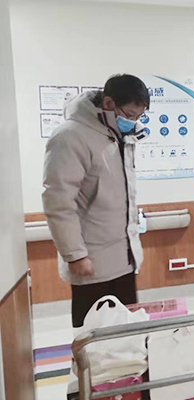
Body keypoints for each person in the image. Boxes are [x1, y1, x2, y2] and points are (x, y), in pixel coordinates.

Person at [43, 74, 150, 328]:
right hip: (91, 263)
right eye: (130, 114)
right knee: (94, 338)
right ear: (109, 103)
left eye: (139, 116)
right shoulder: (70, 136)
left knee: (128, 335)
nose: (133, 121)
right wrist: (75, 255)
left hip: (124, 258)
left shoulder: (119, 136)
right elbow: (59, 202)